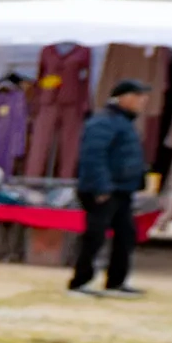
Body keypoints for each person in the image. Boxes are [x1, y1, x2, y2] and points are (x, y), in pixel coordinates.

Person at [68, 78, 151, 300]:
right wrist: (101, 186)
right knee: (94, 236)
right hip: (103, 189)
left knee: (126, 235)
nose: (143, 102)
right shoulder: (103, 121)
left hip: (121, 189)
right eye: (139, 96)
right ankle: (80, 282)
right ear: (124, 98)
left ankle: (116, 282)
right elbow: (93, 156)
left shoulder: (123, 121)